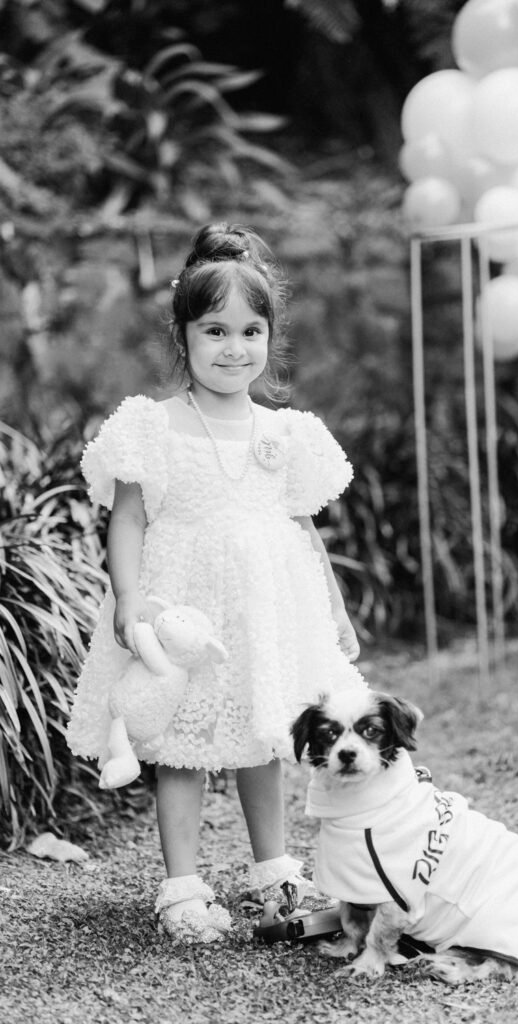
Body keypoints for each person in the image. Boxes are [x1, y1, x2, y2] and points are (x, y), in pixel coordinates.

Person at [67, 222, 366, 943]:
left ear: (270, 336)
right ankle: (181, 888)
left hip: (263, 610)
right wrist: (130, 597)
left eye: (250, 331)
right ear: (184, 335)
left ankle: (274, 872)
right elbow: (129, 518)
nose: (234, 348)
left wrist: (332, 610)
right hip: (186, 607)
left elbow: (301, 528)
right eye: (215, 331)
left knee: (265, 735)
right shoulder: (154, 425)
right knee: (184, 744)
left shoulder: (284, 432)